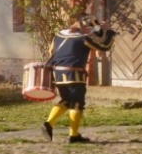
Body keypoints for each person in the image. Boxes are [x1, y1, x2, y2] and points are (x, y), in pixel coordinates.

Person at [42, 12, 116, 143]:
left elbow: (50, 51)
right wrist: (109, 32)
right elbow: (104, 47)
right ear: (84, 26)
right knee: (76, 103)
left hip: (58, 74)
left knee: (66, 100)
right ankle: (73, 135)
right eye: (90, 26)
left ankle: (48, 123)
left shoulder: (58, 35)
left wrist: (98, 29)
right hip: (74, 75)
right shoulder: (83, 39)